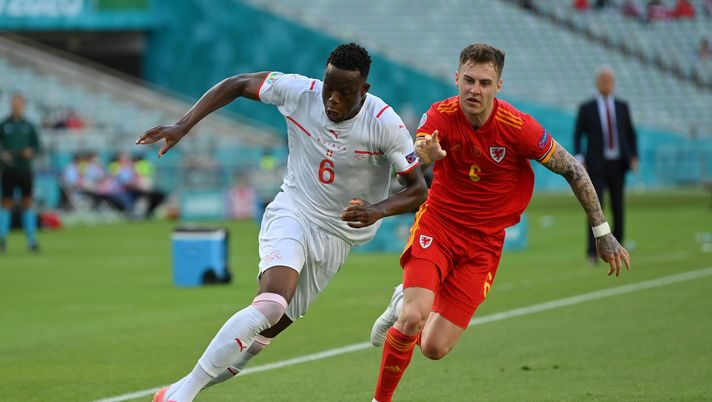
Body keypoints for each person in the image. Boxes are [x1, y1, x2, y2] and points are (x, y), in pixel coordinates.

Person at [137, 43, 427, 402]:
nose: (332, 100)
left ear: (364, 90)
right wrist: (183, 124)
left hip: (338, 237)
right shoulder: (299, 92)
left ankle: (172, 393)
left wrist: (377, 210)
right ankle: (185, 396)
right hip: (294, 210)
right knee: (271, 303)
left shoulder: (384, 123)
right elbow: (237, 83)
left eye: (345, 93)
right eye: (328, 88)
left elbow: (418, 190)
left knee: (257, 343)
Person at [368, 44, 631, 402]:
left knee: (433, 347)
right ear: (457, 78)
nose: (475, 90)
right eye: (469, 80)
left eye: (485, 83)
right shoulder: (438, 117)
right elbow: (411, 176)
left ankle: (402, 302)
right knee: (414, 318)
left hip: (484, 245)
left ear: (499, 85)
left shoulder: (518, 127)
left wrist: (602, 233)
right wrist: (425, 161)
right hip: (438, 227)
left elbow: (572, 169)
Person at [574, 66, 638, 266]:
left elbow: (630, 133)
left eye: (609, 81)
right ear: (597, 83)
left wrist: (634, 156)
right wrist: (579, 157)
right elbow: (578, 134)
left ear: (614, 83)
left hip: (618, 164)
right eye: (603, 81)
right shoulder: (587, 107)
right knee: (594, 207)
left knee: (618, 207)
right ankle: (592, 253)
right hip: (596, 165)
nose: (606, 84)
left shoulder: (622, 106)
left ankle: (619, 247)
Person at [0, 92, 41, 253]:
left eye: (19, 104)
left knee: (27, 203)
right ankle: (2, 239)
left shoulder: (29, 126)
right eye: (14, 104)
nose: (16, 107)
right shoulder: (4, 125)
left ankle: (31, 240)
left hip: (25, 169)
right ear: (11, 105)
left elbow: (37, 147)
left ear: (23, 106)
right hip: (9, 170)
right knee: (6, 204)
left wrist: (30, 152)